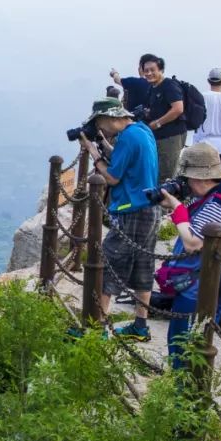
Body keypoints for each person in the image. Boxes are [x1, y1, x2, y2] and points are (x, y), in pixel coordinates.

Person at [156, 143, 221, 369]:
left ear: (200, 179)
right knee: (185, 344)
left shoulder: (217, 203)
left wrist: (177, 208)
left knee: (185, 348)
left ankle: (184, 391)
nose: (186, 184)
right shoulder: (220, 193)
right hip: (199, 283)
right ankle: (182, 388)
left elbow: (193, 243)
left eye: (187, 179)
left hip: (201, 288)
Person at [79, 97, 160, 341]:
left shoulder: (127, 137)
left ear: (112, 118)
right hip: (150, 207)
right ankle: (140, 326)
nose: (99, 127)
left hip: (131, 210)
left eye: (100, 122)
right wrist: (103, 143)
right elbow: (126, 161)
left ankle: (97, 328)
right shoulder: (140, 130)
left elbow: (113, 177)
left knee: (108, 264)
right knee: (143, 267)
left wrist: (93, 151)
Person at [137, 53, 187, 182]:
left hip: (171, 136)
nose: (149, 73)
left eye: (152, 70)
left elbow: (178, 108)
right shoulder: (152, 88)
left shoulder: (169, 85)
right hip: (158, 137)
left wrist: (158, 123)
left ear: (161, 70)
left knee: (166, 176)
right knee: (157, 173)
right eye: (146, 70)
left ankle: (166, 201)